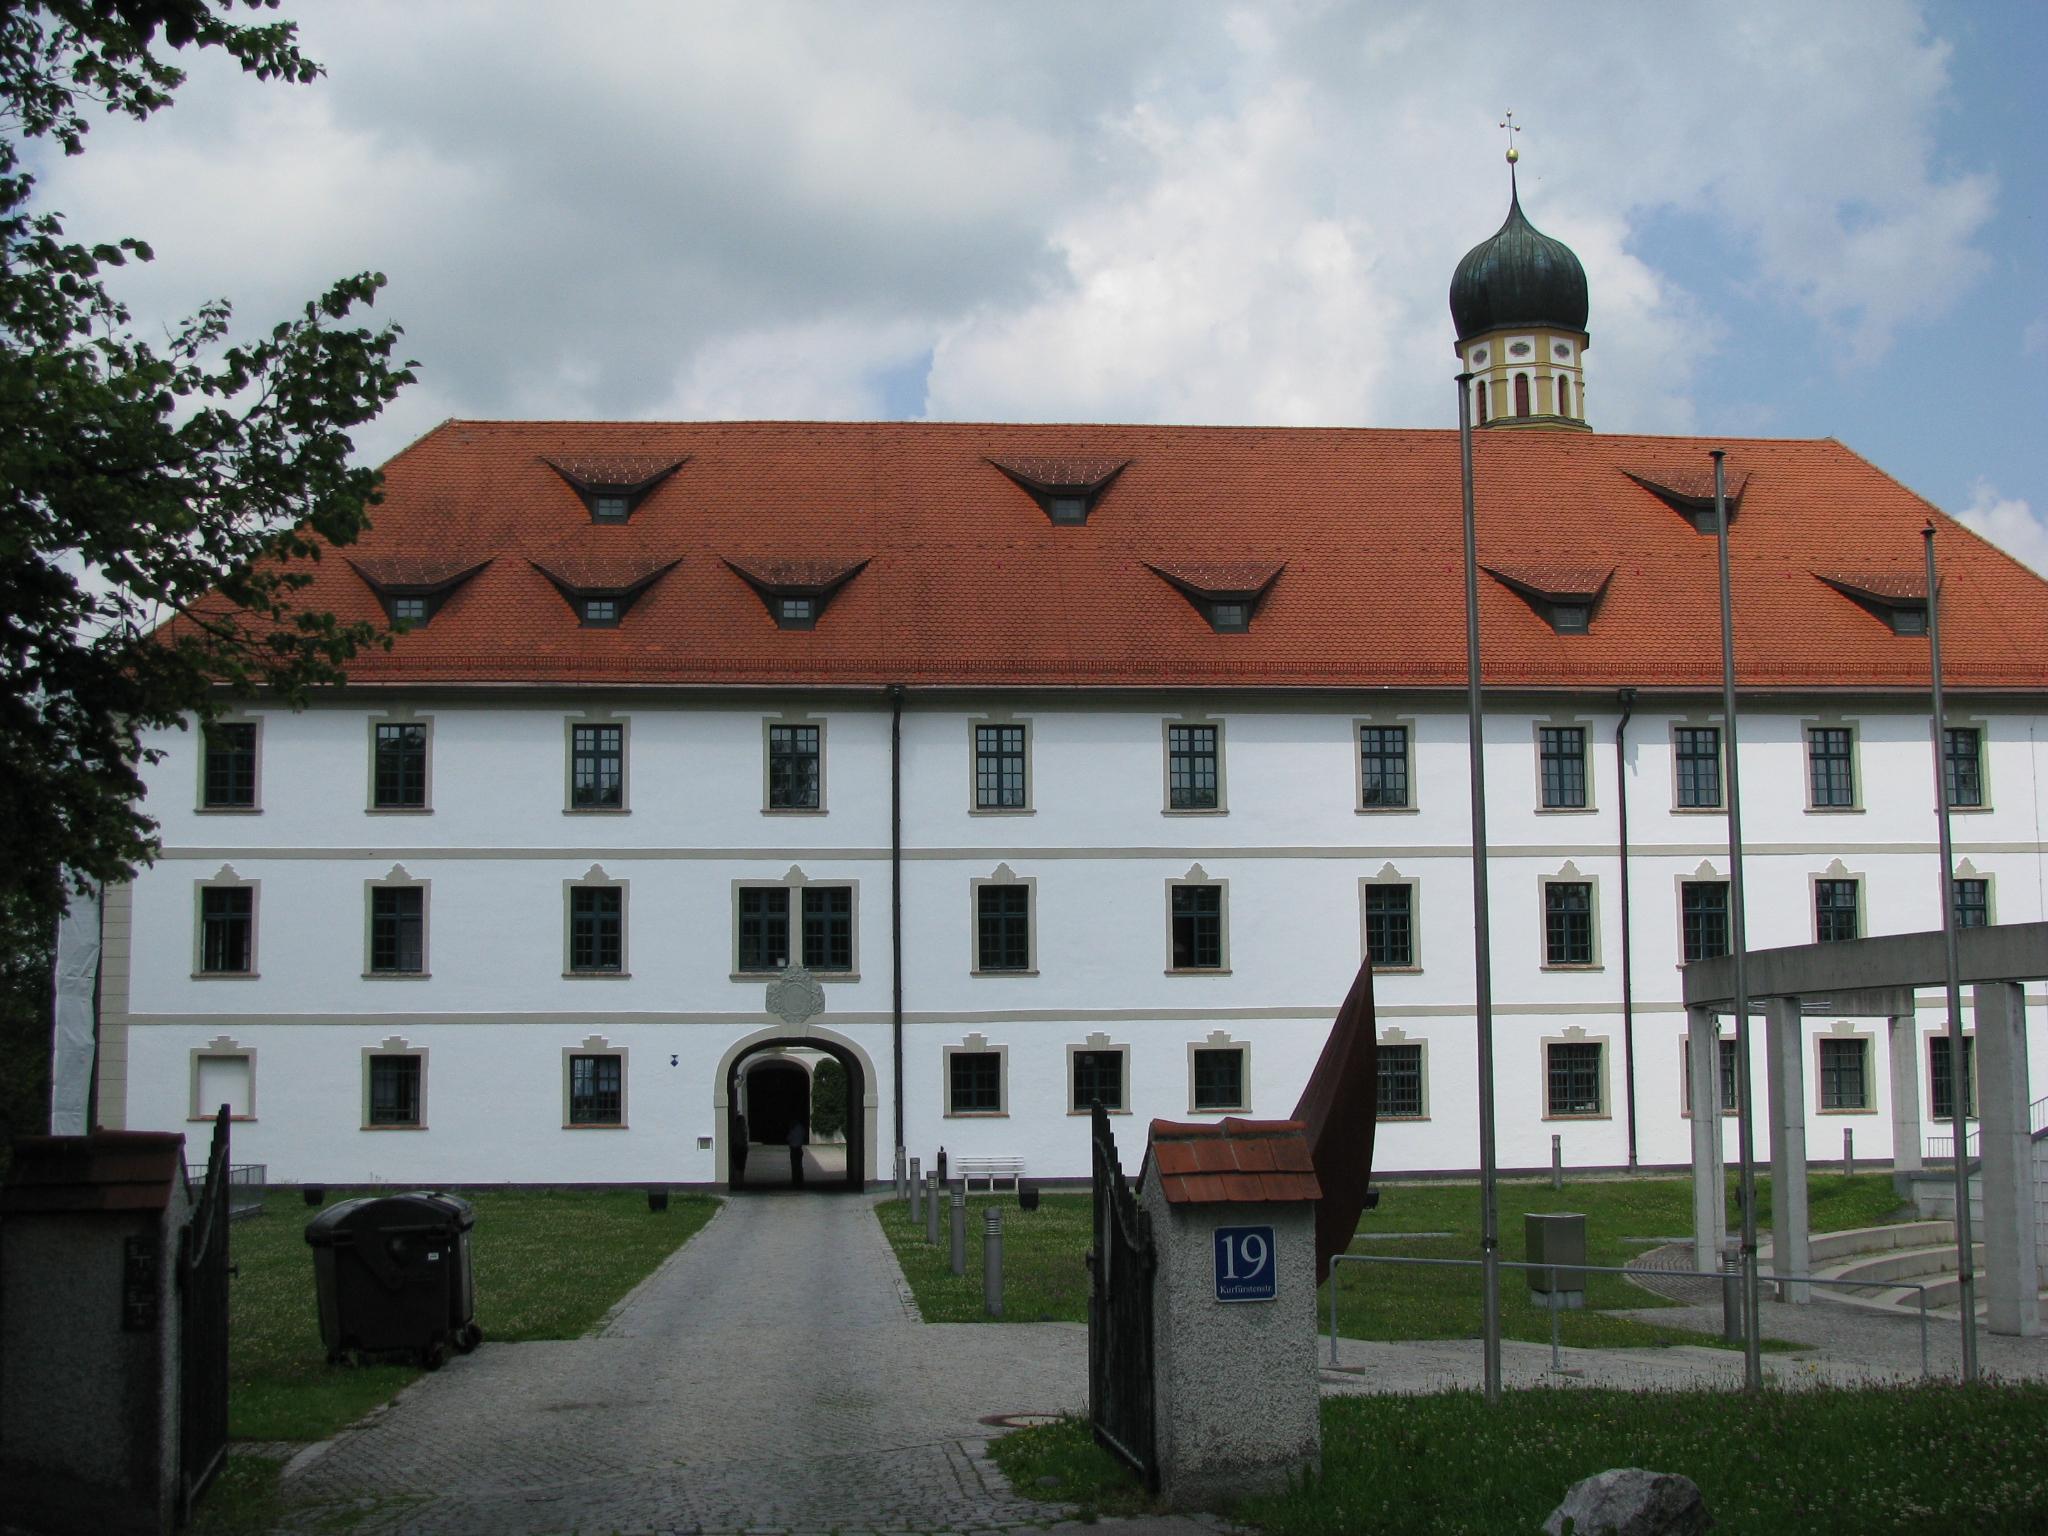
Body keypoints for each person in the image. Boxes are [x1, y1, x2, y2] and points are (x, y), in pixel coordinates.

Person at [787, 1117, 806, 1187]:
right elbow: (803, 1136)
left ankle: (795, 1180)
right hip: (799, 1148)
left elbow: (789, 1138)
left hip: (794, 1149)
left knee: (794, 1166)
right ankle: (800, 1180)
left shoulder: (793, 1129)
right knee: (799, 1165)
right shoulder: (801, 1128)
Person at [732, 1113, 749, 1186]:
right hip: (740, 1148)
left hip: (739, 1147)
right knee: (740, 1166)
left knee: (739, 1166)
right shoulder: (742, 1129)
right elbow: (743, 1139)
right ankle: (739, 1180)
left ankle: (739, 1180)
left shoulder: (737, 1129)